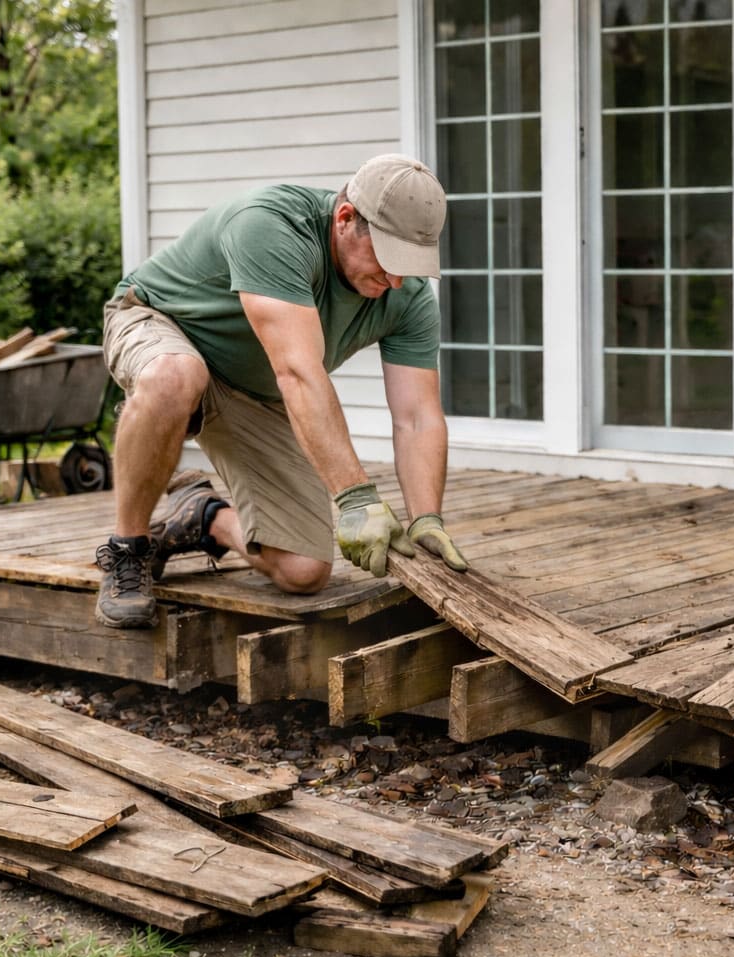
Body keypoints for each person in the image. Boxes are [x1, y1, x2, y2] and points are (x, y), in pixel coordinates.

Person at [93, 154, 469, 629]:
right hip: (164, 327)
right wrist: (355, 498)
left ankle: (203, 516)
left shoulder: (406, 298)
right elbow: (297, 372)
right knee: (176, 375)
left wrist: (425, 520)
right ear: (346, 218)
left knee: (304, 570)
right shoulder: (270, 227)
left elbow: (417, 416)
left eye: (410, 266)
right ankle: (128, 549)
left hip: (255, 386)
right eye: (388, 259)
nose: (395, 280)